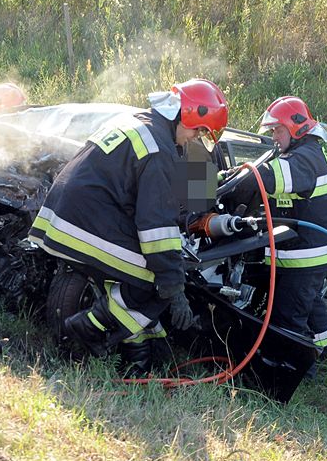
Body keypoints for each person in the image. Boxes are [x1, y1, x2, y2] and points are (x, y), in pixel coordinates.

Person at [28, 79, 229, 371]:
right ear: (186, 116)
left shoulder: (139, 122)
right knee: (158, 279)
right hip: (84, 227)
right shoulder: (160, 151)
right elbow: (157, 231)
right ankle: (88, 327)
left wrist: (208, 186)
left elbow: (158, 196)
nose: (196, 139)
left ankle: (141, 356)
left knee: (143, 276)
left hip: (61, 217)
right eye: (199, 131)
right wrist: (175, 289)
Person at [227, 96, 327, 354]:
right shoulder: (304, 153)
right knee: (312, 306)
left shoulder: (305, 158)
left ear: (296, 128)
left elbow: (268, 177)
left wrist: (228, 182)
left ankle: (293, 371)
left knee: (288, 318)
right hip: (312, 252)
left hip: (308, 254)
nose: (274, 137)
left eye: (278, 130)